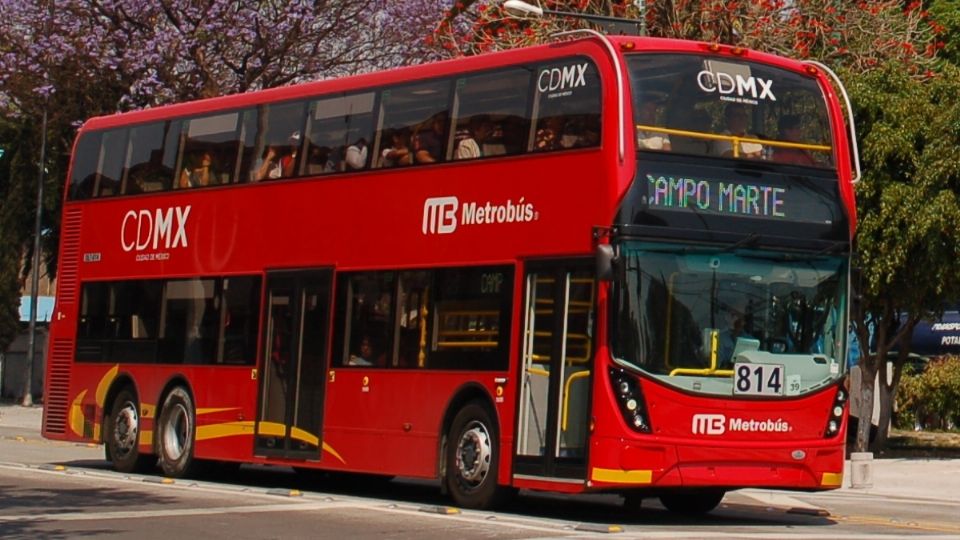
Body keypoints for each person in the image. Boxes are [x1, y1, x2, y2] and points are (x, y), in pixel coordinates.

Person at [717, 300, 754, 368]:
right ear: (727, 317)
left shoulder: (750, 339)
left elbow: (758, 360)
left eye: (742, 317)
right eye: (735, 315)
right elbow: (717, 364)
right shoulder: (719, 338)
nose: (740, 320)